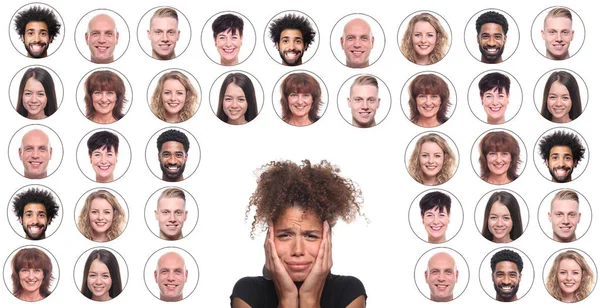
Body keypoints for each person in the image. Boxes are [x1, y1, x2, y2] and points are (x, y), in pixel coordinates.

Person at [231, 160, 367, 307]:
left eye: (311, 236)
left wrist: (309, 298)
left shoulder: (349, 292)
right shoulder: (247, 293)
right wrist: (287, 299)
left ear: (327, 239)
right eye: (285, 235)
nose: (297, 250)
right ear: (268, 239)